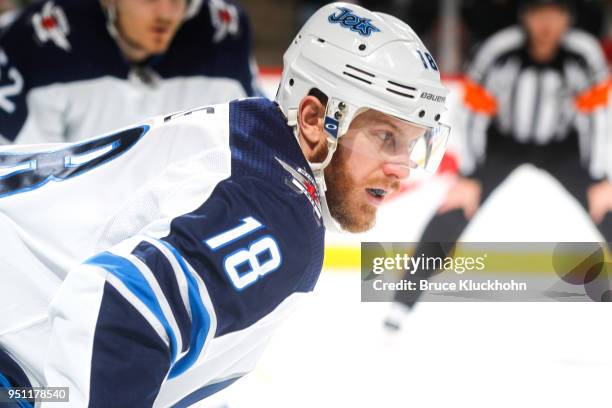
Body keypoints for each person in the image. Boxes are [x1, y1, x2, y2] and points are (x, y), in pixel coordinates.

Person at [0, 3, 450, 406]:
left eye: (411, 144)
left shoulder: (250, 134)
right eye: (385, 137)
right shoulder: (281, 212)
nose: (401, 168)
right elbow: (119, 308)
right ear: (314, 120)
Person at [386, 0, 612, 330]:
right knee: (454, 209)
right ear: (525, 16)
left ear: (568, 17)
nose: (546, 23)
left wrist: (598, 178)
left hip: (563, 146)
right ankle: (401, 305)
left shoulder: (585, 54)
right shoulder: (498, 51)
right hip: (503, 143)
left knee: (606, 210)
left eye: (556, 13)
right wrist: (471, 175)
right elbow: (473, 115)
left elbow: (597, 118)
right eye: (538, 13)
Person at [0, 0, 259, 144]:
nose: (166, 14)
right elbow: (25, 182)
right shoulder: (37, 42)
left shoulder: (224, 36)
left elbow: (247, 150)